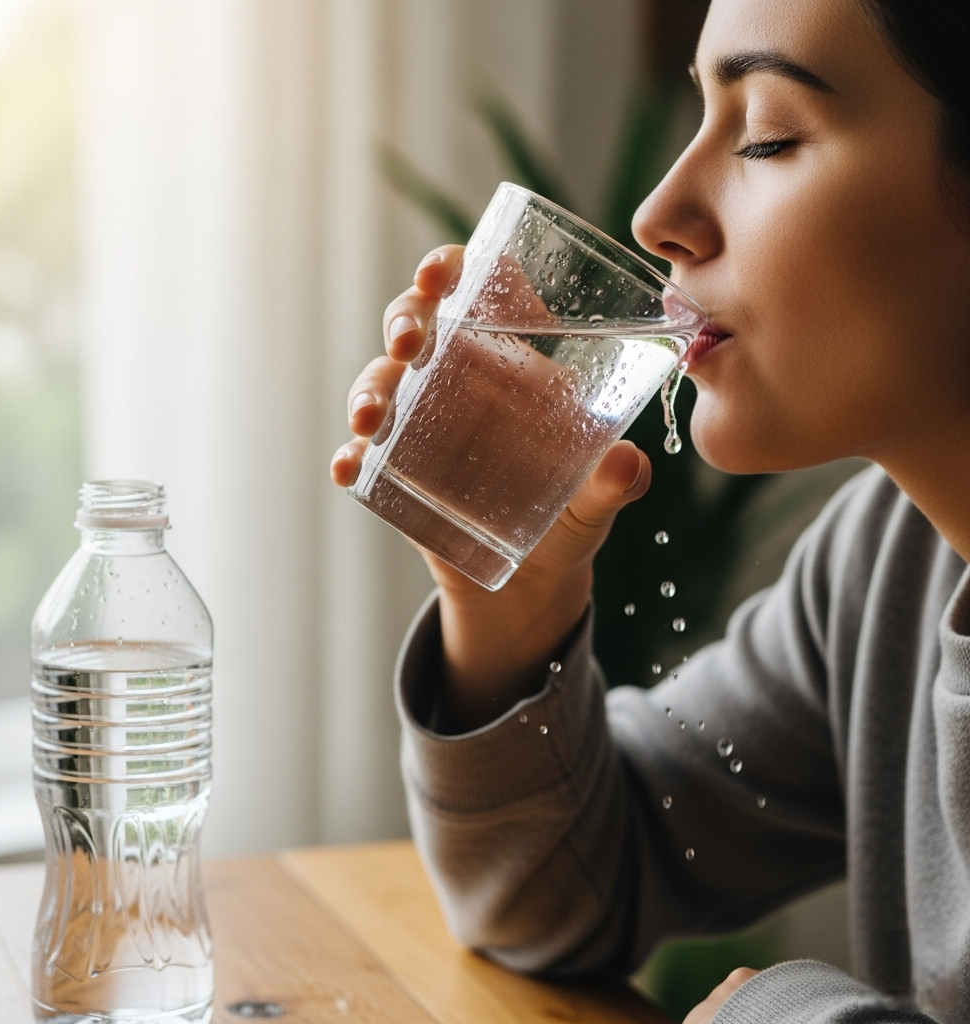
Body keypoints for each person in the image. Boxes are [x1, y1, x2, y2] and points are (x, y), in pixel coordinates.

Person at [331, 0, 970, 1018]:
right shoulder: (886, 561)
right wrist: (510, 602)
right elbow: (564, 894)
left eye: (763, 133)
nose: (657, 210)